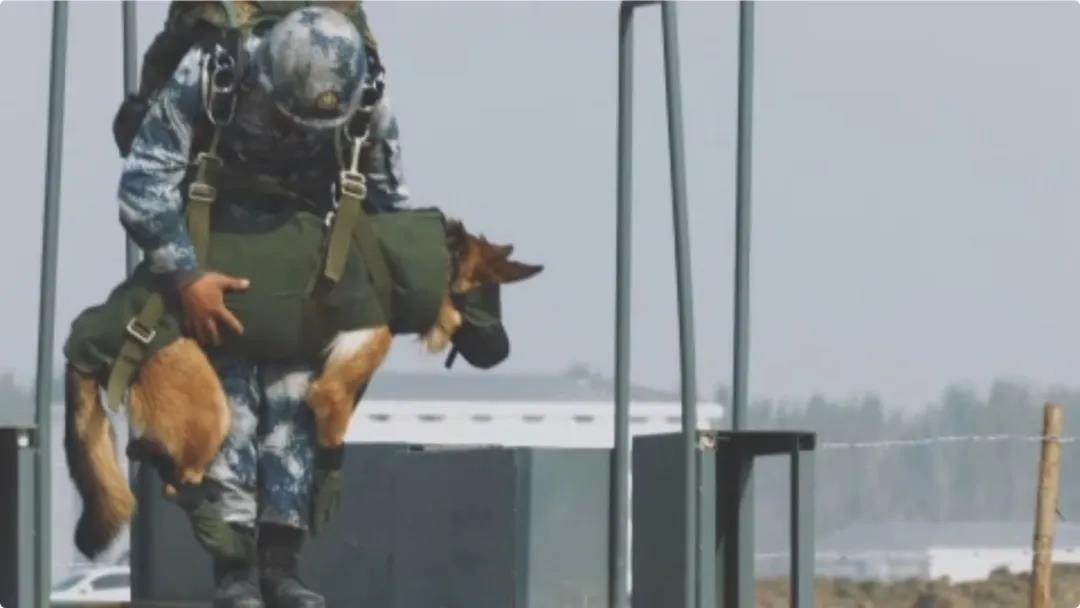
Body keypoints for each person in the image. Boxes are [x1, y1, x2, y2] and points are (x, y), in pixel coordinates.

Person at [116, 5, 407, 607]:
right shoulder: (215, 71)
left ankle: (281, 565)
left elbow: (388, 203)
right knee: (229, 408)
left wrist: (378, 297)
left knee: (298, 403)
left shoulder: (365, 95)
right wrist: (186, 277)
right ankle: (234, 570)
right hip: (211, 248)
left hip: (306, 267)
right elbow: (145, 182)